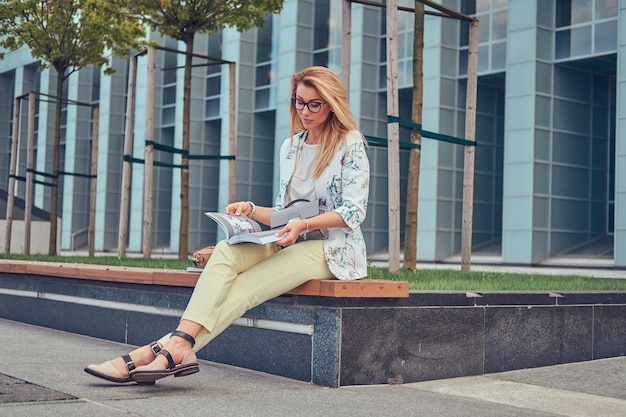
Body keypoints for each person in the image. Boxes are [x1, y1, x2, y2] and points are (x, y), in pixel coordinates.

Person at [84, 65, 370, 384]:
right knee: (225, 251)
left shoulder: (349, 143)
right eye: (299, 102)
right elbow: (284, 213)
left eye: (314, 104)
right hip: (287, 236)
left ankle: (149, 354)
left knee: (245, 287)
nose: (304, 111)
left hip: (332, 248)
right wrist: (250, 210)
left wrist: (302, 226)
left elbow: (354, 212)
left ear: (332, 104)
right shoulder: (290, 148)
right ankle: (177, 348)